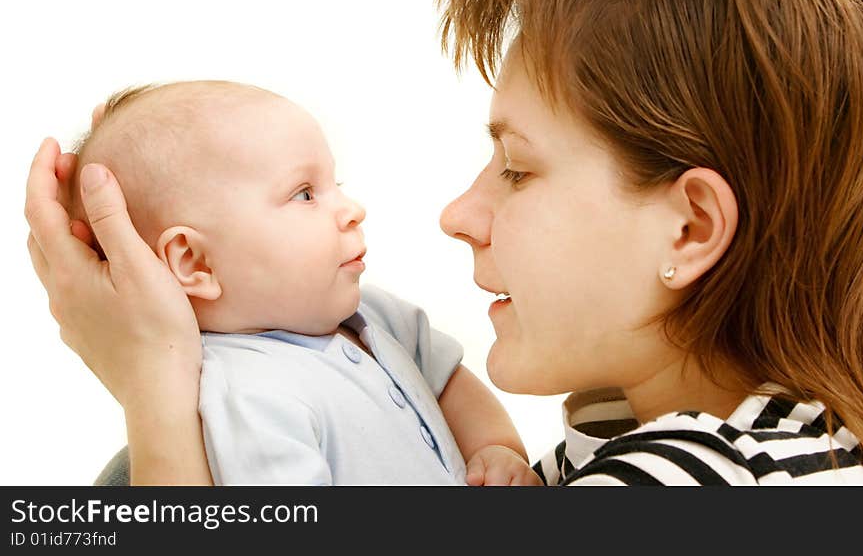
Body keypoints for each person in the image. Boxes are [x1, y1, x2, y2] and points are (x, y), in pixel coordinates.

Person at [26, 0, 863, 485]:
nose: (457, 214)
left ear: (690, 226)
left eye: (516, 167)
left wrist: (152, 383)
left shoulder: (682, 482)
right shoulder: (689, 441)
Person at [59, 80, 538, 485]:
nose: (352, 211)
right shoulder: (247, 397)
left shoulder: (374, 314)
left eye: (336, 185)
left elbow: (449, 382)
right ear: (194, 261)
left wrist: (497, 448)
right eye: (305, 193)